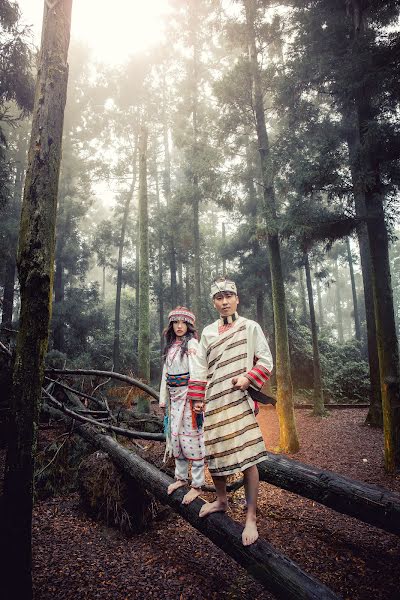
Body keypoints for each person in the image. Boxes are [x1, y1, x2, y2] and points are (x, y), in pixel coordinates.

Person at [188, 278, 273, 545]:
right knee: (214, 453)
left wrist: (249, 378)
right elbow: (200, 367)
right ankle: (222, 500)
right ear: (213, 302)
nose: (224, 302)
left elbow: (266, 359)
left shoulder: (250, 327)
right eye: (219, 297)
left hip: (239, 401)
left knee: (248, 459)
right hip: (214, 401)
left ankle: (250, 518)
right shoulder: (209, 332)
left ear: (237, 298)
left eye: (228, 296)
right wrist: (198, 398)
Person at [159, 307, 205, 505]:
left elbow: (198, 372)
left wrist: (197, 400)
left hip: (189, 398)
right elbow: (165, 375)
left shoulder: (193, 344)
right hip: (174, 398)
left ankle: (197, 484)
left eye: (183, 323)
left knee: (192, 438)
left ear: (189, 325)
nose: (179, 326)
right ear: (171, 325)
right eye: (175, 323)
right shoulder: (170, 347)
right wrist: (163, 399)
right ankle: (180, 478)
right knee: (176, 437)